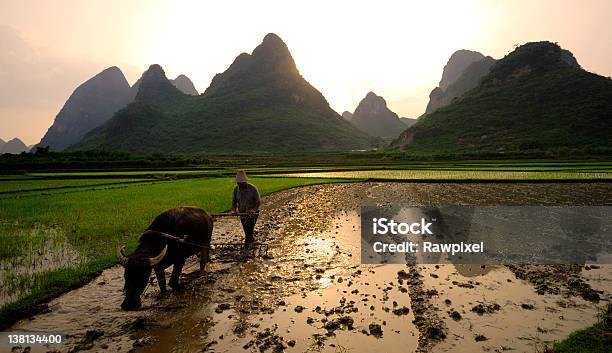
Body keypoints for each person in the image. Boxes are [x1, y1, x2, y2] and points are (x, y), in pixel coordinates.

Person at [231, 171, 261, 245]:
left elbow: (258, 201)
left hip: (252, 214)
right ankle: (251, 240)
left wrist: (253, 210)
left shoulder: (253, 188)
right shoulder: (236, 190)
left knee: (249, 229)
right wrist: (234, 210)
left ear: (245, 182)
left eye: (242, 183)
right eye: (239, 183)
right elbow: (234, 201)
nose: (240, 185)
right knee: (246, 229)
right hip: (242, 213)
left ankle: (247, 246)